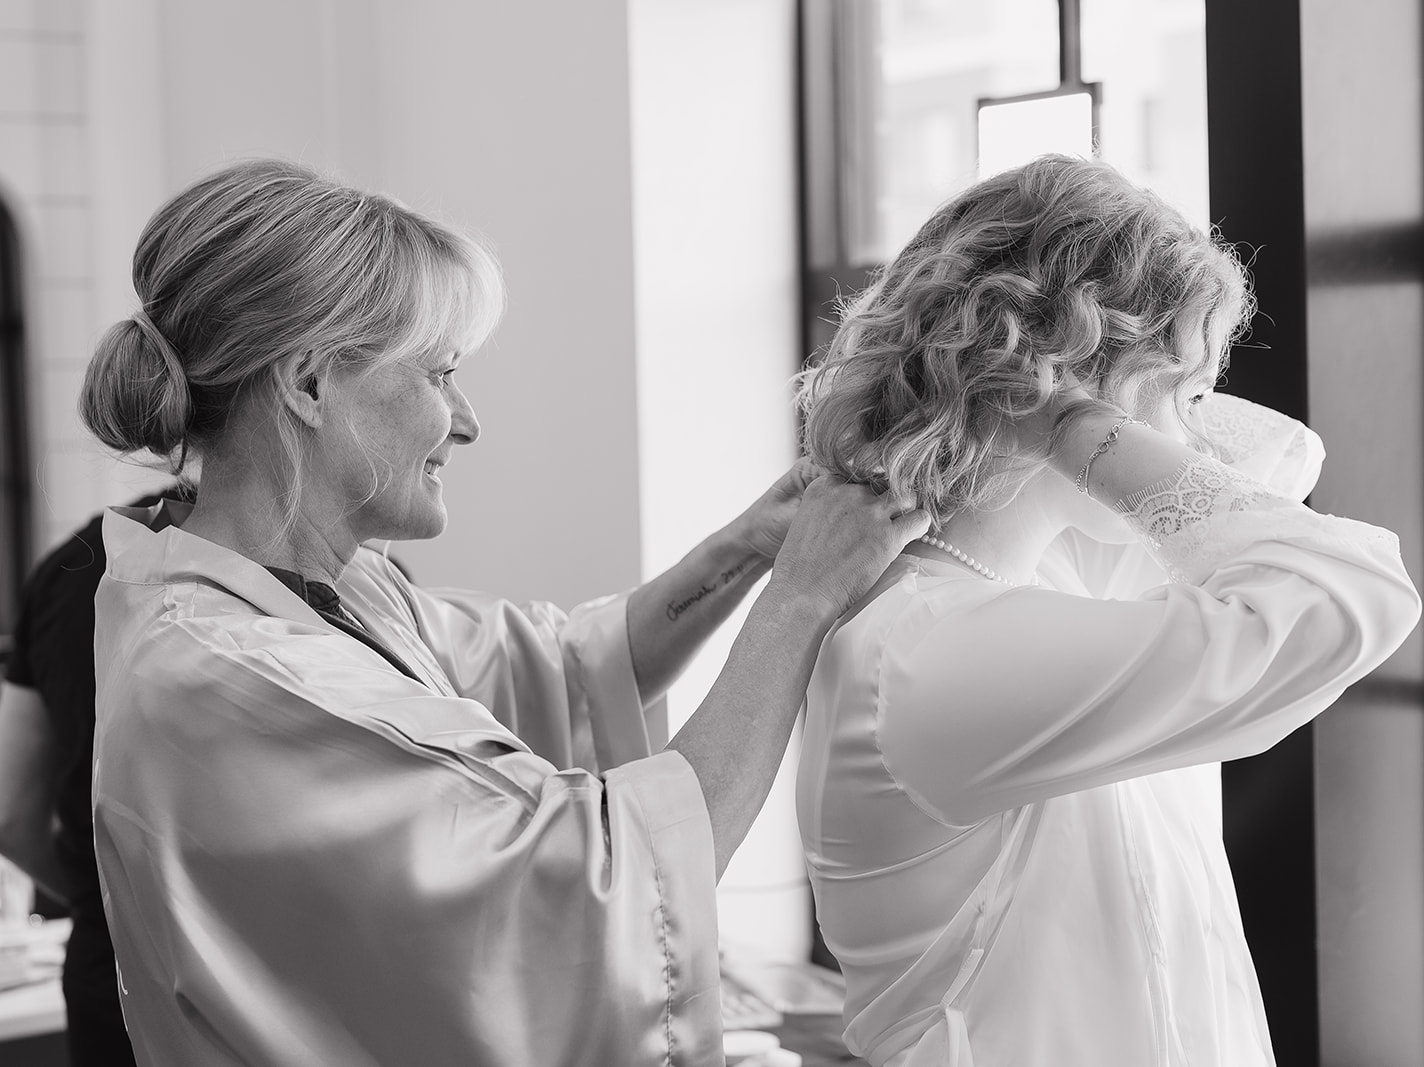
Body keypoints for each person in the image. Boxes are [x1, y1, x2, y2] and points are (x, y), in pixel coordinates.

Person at [78, 158, 929, 1066]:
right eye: (439, 374)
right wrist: (802, 597)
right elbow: (613, 888)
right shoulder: (225, 682)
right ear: (310, 382)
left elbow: (561, 667)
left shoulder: (326, 593)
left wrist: (753, 544)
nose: (467, 420)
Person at [793, 155, 1422, 1066]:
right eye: (1188, 389)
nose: (1192, 434)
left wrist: (1089, 403)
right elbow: (1346, 592)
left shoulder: (1055, 579)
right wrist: (1076, 421)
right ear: (1075, 383)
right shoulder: (928, 655)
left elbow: (1283, 460)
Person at [0, 486, 186, 1066]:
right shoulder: (337, 580)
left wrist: (107, 899)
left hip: (109, 981)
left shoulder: (68, 567)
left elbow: (10, 811)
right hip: (267, 1000)